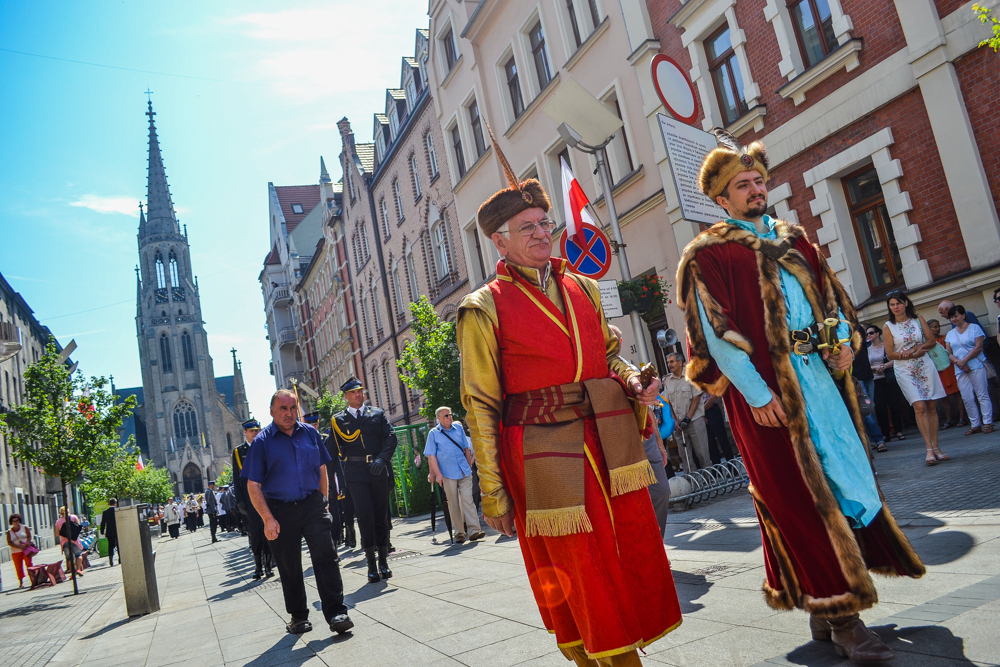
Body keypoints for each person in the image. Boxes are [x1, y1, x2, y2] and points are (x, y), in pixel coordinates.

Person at [676, 131, 924, 663]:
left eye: (758, 180)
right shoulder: (708, 253)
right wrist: (758, 394)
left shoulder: (795, 240)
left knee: (843, 481)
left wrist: (845, 344)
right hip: (766, 396)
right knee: (798, 497)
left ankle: (820, 606)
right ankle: (844, 618)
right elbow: (716, 337)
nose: (756, 189)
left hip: (821, 384)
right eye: (743, 185)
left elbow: (835, 304)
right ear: (721, 198)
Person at [458, 131, 681, 666]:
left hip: (607, 441)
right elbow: (481, 405)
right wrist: (492, 492)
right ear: (500, 242)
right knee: (578, 572)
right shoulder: (482, 307)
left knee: (627, 556)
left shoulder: (583, 287)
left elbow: (608, 358)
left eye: (544, 223)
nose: (542, 233)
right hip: (541, 455)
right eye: (527, 227)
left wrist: (635, 381)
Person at [243, 389, 353, 636]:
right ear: (272, 411)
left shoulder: (310, 433)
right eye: (283, 408)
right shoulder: (262, 442)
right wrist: (267, 519)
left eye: (293, 408)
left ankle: (336, 613)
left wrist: (323, 500)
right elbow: (253, 485)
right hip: (280, 510)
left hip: (312, 505)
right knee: (289, 565)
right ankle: (299, 617)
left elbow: (322, 468)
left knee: (326, 556)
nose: (289, 413)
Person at [328, 377, 397, 584]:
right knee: (365, 517)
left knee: (381, 516)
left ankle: (383, 562)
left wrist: (382, 460)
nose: (358, 395)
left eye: (360, 391)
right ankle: (371, 565)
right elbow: (330, 452)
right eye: (353, 392)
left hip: (377, 470)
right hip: (356, 474)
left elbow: (391, 437)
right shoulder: (338, 421)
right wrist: (330, 483)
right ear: (346, 396)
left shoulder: (377, 414)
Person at [609, 324, 671, 536]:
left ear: (619, 343)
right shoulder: (596, 369)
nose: (609, 344)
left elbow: (648, 407)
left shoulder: (630, 367)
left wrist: (660, 443)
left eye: (613, 340)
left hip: (646, 438)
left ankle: (658, 543)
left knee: (662, 491)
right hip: (620, 444)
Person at [883, 291, 948, 465]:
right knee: (919, 406)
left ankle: (936, 447)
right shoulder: (888, 326)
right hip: (905, 369)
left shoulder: (917, 319)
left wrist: (916, 350)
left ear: (905, 303)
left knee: (931, 405)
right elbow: (890, 354)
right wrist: (912, 354)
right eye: (892, 305)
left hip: (925, 364)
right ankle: (929, 449)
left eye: (898, 303)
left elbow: (931, 340)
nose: (895, 307)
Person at [424, 407, 484, 544]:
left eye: (450, 414)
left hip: (463, 470)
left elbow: (466, 448)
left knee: (468, 500)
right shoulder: (434, 433)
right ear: (439, 418)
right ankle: (459, 533)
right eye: (446, 415)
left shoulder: (459, 429)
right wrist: (437, 474)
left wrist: (468, 465)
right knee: (454, 504)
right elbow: (431, 456)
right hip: (447, 473)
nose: (449, 417)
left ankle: (474, 531)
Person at [233, 418, 273, 579]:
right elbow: (237, 478)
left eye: (257, 431)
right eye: (251, 431)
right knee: (255, 532)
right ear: (245, 432)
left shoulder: (265, 446)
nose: (255, 433)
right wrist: (239, 501)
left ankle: (268, 565)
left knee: (268, 529)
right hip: (250, 499)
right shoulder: (239, 452)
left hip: (266, 495)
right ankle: (258, 567)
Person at [945, 304, 994, 435]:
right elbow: (947, 353)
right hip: (960, 369)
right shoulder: (950, 334)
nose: (954, 319)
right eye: (951, 317)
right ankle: (975, 424)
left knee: (982, 394)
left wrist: (964, 360)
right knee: (967, 397)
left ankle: (988, 422)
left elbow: (978, 347)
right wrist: (959, 363)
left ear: (963, 315)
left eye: (956, 316)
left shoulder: (974, 328)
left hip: (976, 365)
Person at [661, 352, 712, 473]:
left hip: (694, 420)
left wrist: (688, 418)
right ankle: (692, 481)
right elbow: (667, 403)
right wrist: (674, 421)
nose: (669, 365)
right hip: (679, 425)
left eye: (672, 362)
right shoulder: (668, 380)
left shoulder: (691, 375)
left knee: (702, 454)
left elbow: (696, 398)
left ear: (680, 363)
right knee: (685, 457)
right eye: (668, 362)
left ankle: (709, 479)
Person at [867, 326, 907, 441]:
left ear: (878, 333)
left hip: (889, 378)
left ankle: (898, 430)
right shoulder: (867, 350)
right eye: (867, 334)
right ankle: (885, 433)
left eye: (871, 333)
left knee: (895, 405)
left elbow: (897, 358)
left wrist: (884, 366)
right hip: (876, 380)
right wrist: (875, 368)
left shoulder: (887, 346)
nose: (869, 335)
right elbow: (866, 365)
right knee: (880, 407)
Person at [852, 324, 887, 453]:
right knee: (866, 410)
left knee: (870, 408)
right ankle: (878, 439)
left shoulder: (859, 328)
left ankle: (873, 438)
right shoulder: (842, 329)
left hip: (867, 375)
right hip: (856, 377)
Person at [928, 318, 968, 429]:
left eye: (938, 326)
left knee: (957, 394)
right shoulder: (927, 343)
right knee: (944, 397)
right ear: (929, 329)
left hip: (950, 368)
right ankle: (948, 419)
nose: (937, 329)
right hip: (939, 371)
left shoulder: (945, 338)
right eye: (934, 327)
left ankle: (962, 417)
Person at [6, 514, 35, 587]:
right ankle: (21, 582)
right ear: (11, 522)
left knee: (29, 564)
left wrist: (27, 544)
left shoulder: (24, 528)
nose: (15, 522)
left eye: (17, 520)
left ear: (19, 521)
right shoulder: (9, 531)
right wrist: (18, 546)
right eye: (14, 521)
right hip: (15, 551)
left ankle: (33, 579)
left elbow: (29, 536)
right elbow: (9, 542)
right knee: (18, 567)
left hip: (26, 550)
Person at [56, 507, 85, 576]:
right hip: (75, 541)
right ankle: (78, 569)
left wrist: (64, 533)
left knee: (69, 558)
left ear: (60, 513)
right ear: (68, 511)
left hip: (64, 542)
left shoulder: (58, 522)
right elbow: (78, 528)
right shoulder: (74, 517)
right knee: (78, 555)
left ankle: (73, 574)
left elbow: (57, 534)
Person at [100, 498, 119, 566]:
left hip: (109, 532)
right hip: (118, 531)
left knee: (110, 546)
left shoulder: (105, 512)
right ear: (115, 503)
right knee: (119, 545)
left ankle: (111, 560)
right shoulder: (117, 511)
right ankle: (120, 559)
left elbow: (103, 522)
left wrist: (102, 530)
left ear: (109, 504)